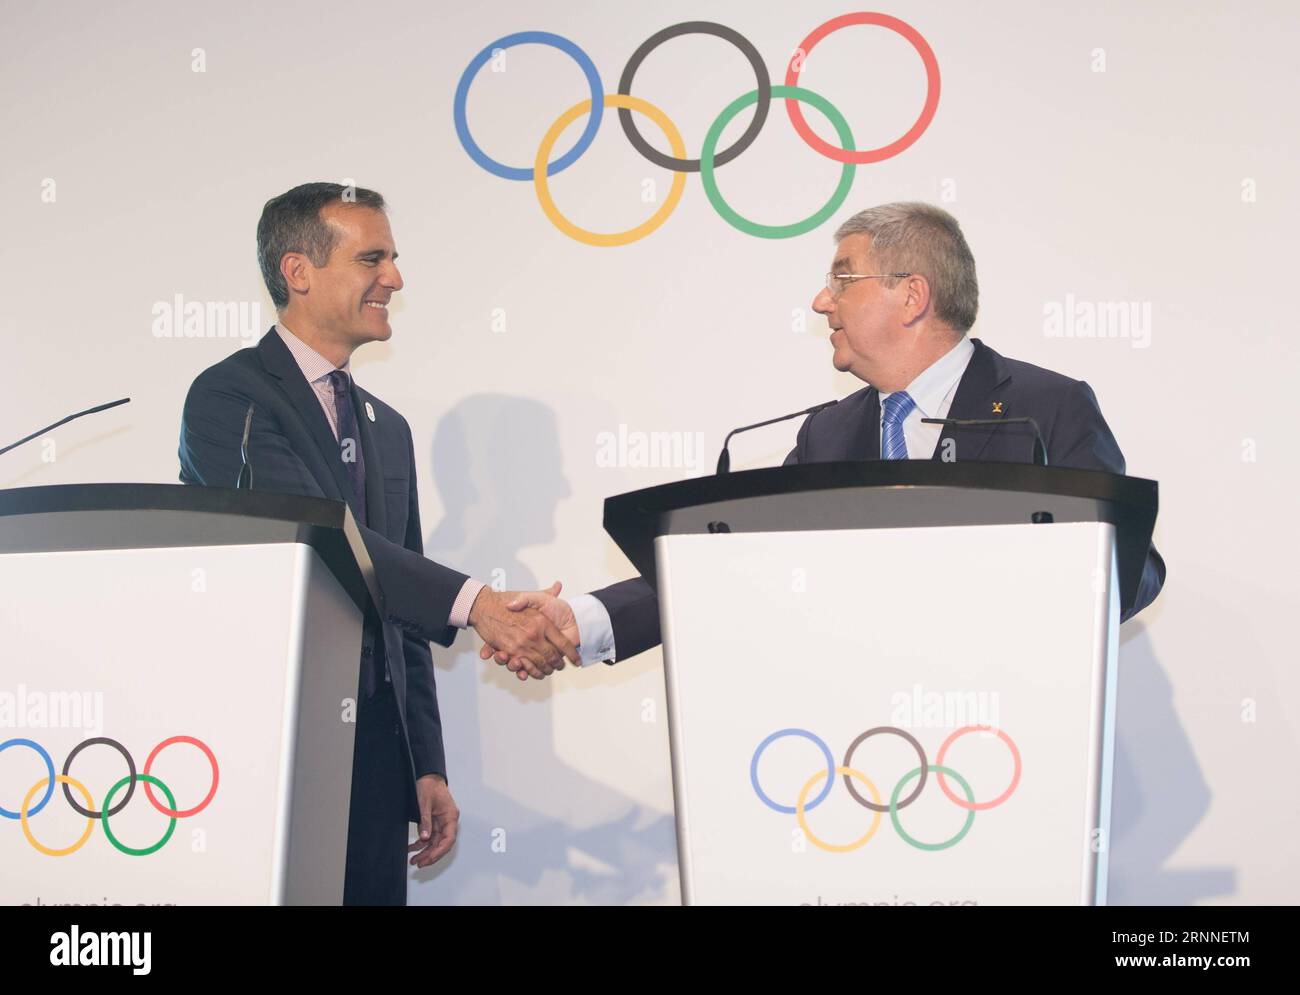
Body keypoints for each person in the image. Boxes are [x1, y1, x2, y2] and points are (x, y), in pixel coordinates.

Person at [488, 202, 1166, 676]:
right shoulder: (830, 432)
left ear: (912, 296)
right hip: (848, 736)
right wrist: (581, 619)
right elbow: (728, 562)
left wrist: (1016, 606)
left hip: (1007, 725)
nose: (821, 302)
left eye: (842, 279)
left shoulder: (1046, 407)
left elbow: (1136, 568)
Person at [178, 182, 578, 904]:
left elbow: (405, 602)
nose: (394, 277)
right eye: (373, 258)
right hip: (271, 745)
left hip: (374, 759)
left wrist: (426, 763)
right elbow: (320, 536)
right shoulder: (230, 397)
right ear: (298, 271)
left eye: (393, 258)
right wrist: (481, 604)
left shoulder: (384, 426)